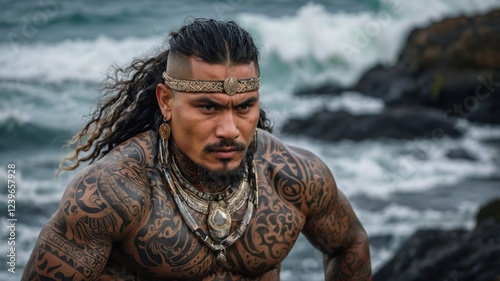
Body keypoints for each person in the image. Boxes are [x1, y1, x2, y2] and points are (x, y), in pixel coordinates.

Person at [22, 18, 372, 280]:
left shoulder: (293, 177)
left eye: (244, 107)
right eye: (209, 108)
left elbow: (350, 245)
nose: (230, 130)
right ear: (166, 102)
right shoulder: (110, 196)